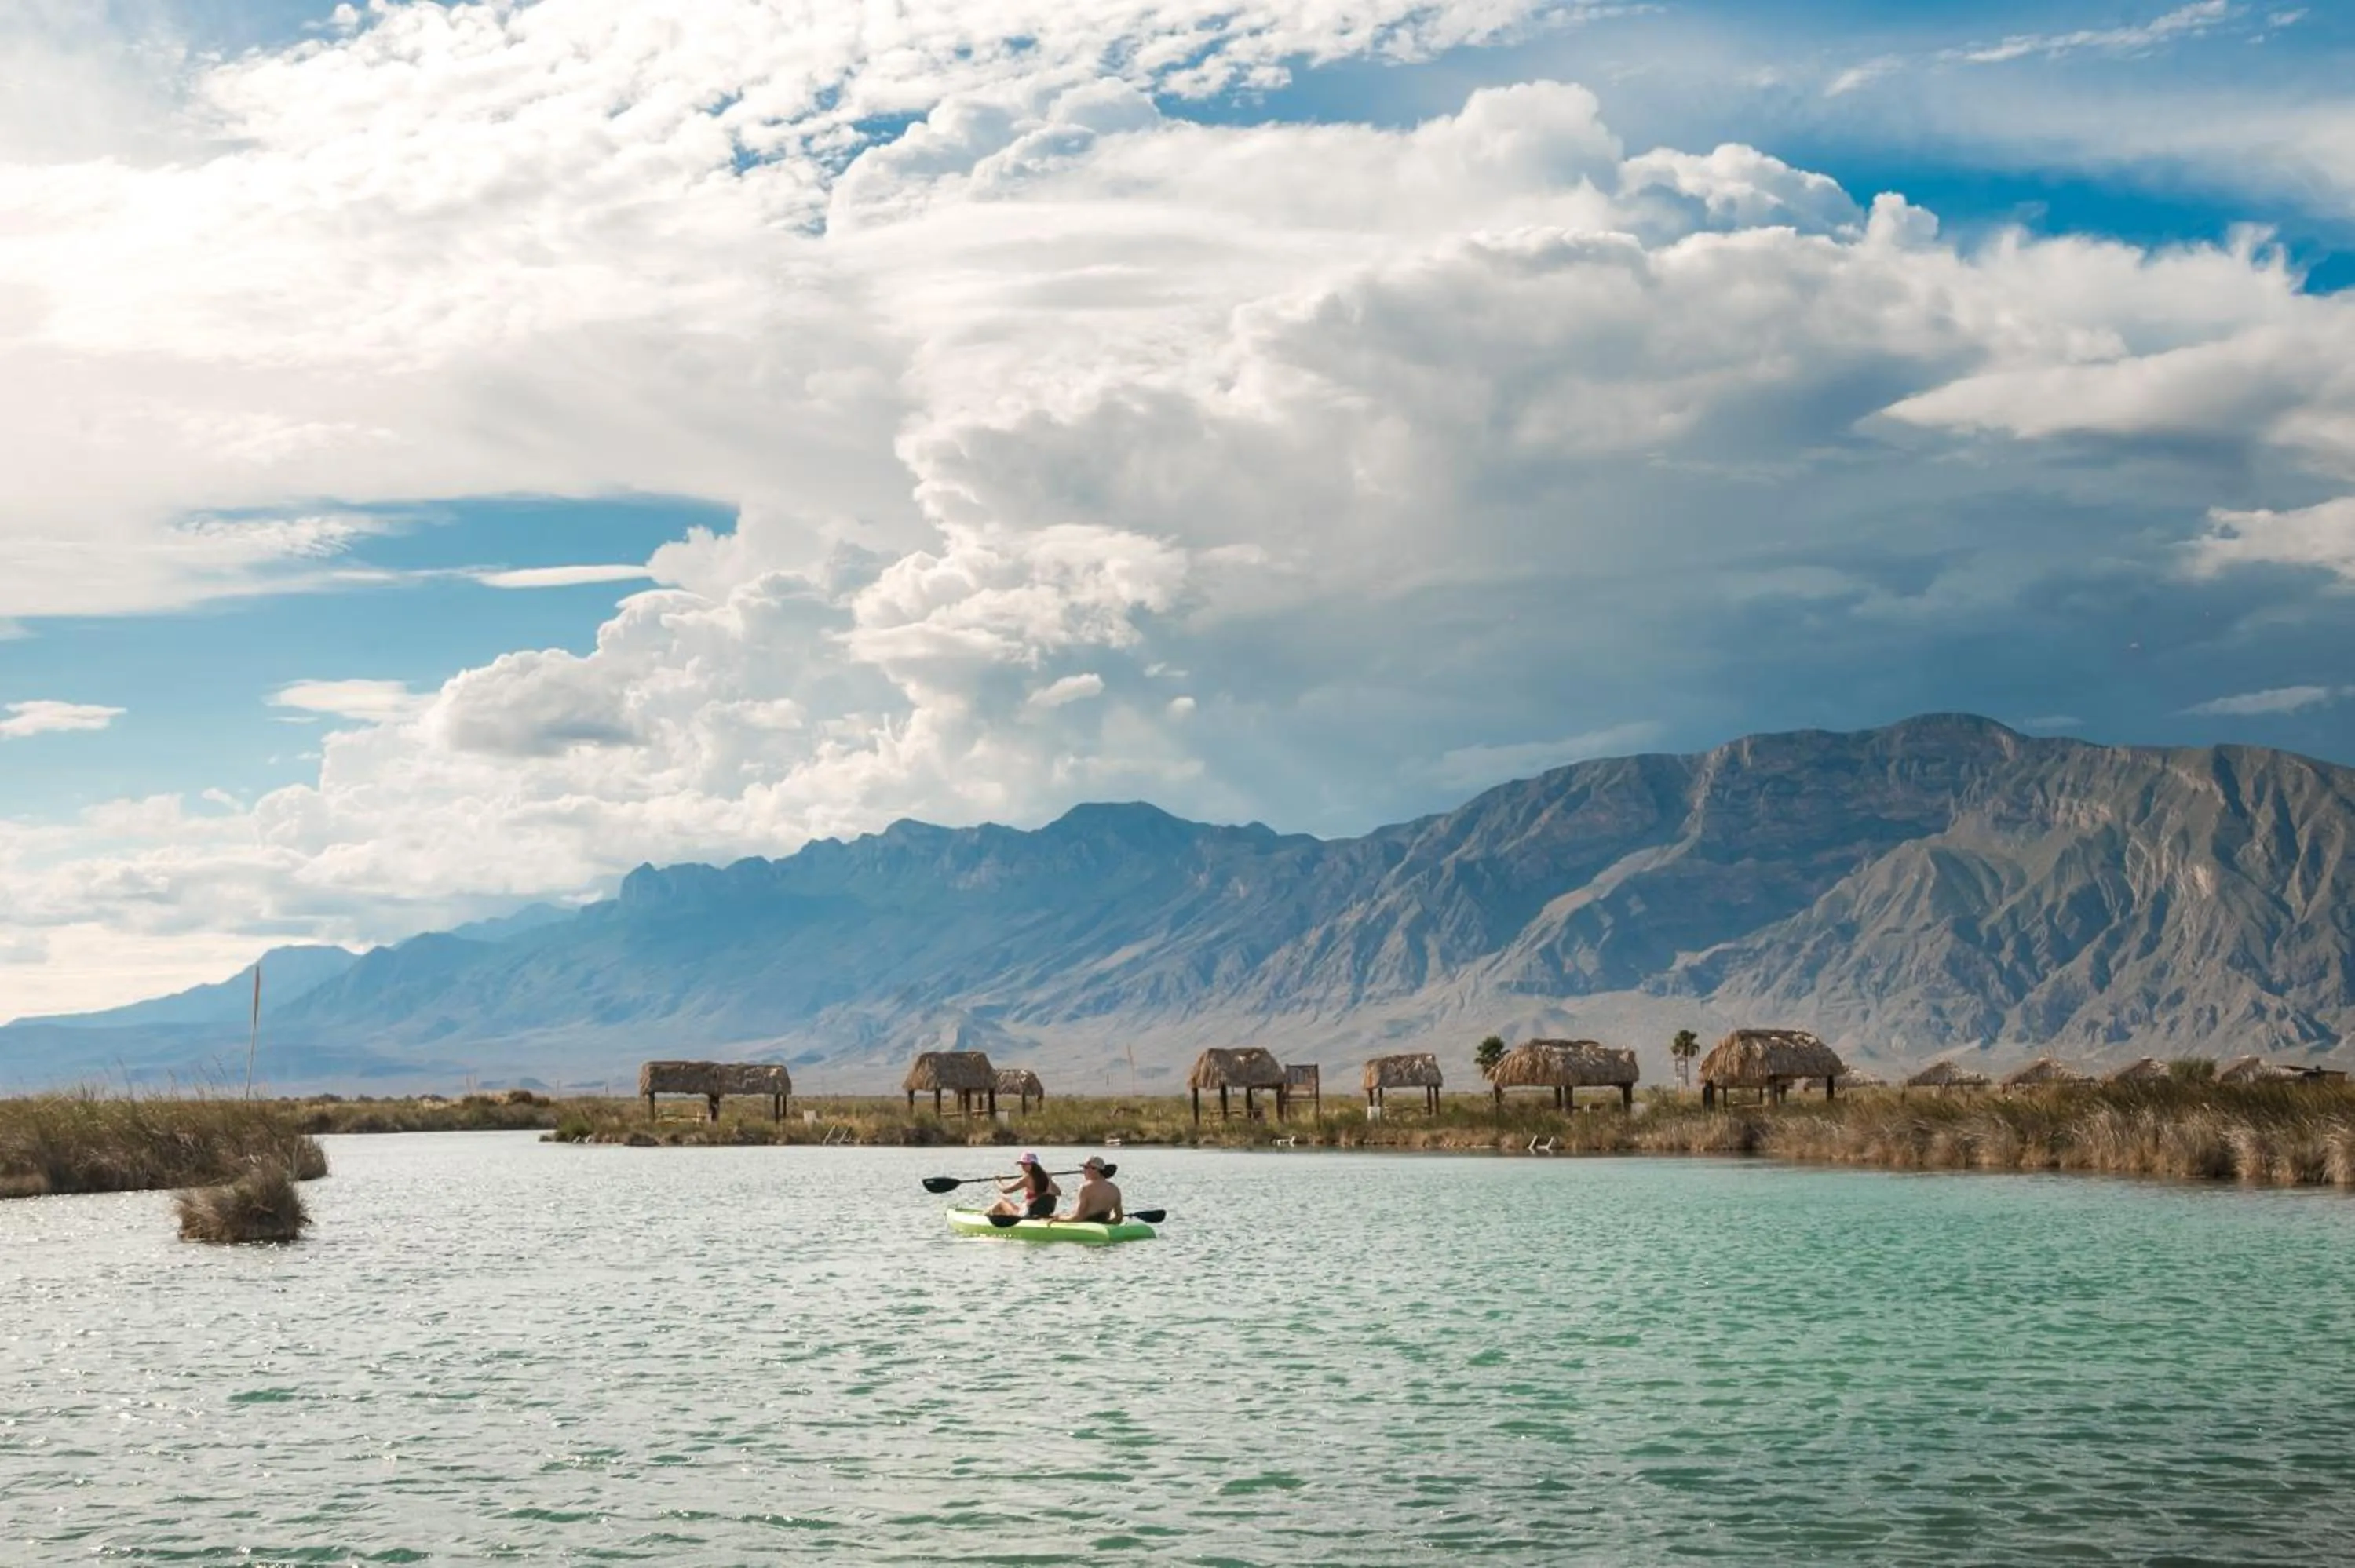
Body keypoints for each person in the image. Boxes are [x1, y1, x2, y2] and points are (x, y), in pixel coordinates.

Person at [990, 1151, 1058, 1218]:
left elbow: (1005, 1191)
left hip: (1030, 1213)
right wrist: (1050, 1181)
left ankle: (987, 1218)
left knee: (1002, 1201)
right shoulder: (1046, 1176)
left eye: (1025, 1164)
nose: (1022, 1166)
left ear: (1033, 1164)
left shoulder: (1027, 1178)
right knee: (1016, 1203)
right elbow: (1058, 1192)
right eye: (1022, 1164)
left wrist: (997, 1182)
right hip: (1044, 1211)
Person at [1061, 1155, 1123, 1224]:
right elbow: (1119, 1218)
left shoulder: (1085, 1188)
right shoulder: (1115, 1189)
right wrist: (1107, 1224)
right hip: (1103, 1223)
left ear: (1094, 1169)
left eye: (1085, 1168)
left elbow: (1078, 1217)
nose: (1083, 1171)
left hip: (1085, 1226)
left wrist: (1059, 1219)